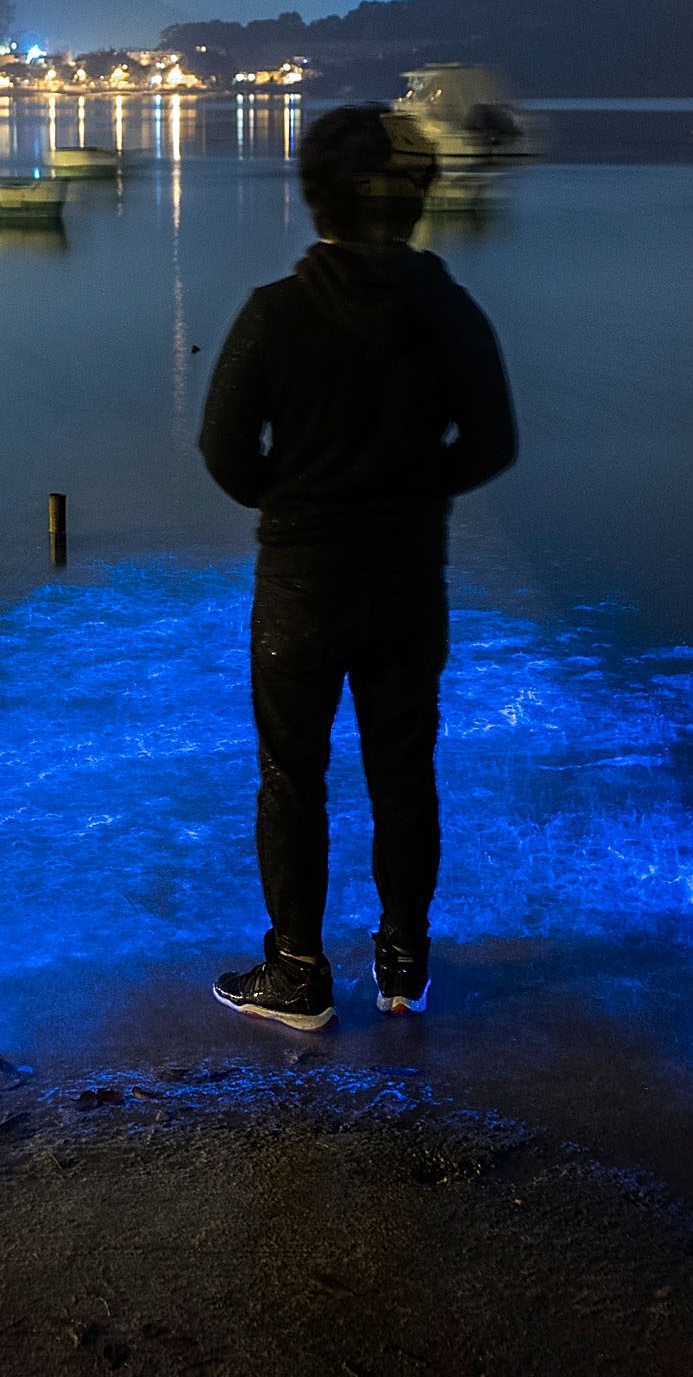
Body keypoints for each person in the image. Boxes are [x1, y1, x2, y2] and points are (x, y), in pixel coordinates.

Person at [197, 103, 518, 1030]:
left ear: (317, 200)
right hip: (408, 579)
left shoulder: (276, 313)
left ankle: (298, 973)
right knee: (404, 771)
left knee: (292, 777)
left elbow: (223, 451)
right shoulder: (445, 308)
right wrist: (416, 493)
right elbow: (493, 441)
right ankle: (404, 966)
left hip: (300, 579)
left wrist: (293, 502)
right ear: (409, 199)